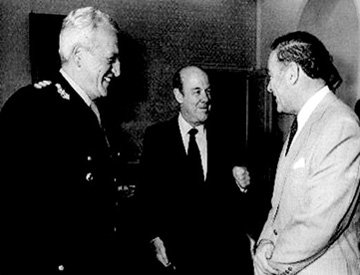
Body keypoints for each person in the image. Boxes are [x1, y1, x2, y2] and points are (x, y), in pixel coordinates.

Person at [0, 7, 125, 274]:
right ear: (79, 56)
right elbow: (17, 214)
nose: (118, 70)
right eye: (111, 59)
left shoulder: (90, 111)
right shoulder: (33, 108)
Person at [253, 31, 360, 275]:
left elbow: (319, 222)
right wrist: (265, 242)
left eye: (271, 77)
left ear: (292, 74)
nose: (269, 87)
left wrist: (270, 264)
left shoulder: (340, 124)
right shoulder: (302, 123)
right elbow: (278, 205)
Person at [139, 65, 254, 274]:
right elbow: (146, 196)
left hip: (221, 259)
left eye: (208, 91)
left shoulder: (228, 137)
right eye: (197, 91)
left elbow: (243, 206)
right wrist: (154, 238)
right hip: (176, 259)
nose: (206, 98)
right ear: (178, 95)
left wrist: (243, 187)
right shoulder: (157, 137)